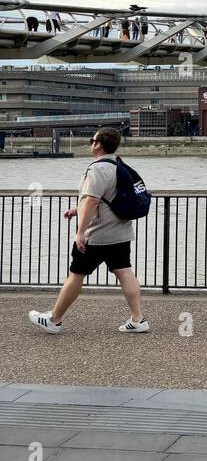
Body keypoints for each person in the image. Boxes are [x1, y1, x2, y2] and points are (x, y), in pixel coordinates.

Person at [28, 127, 149, 334]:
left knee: (76, 274)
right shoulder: (119, 166)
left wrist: (81, 232)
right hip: (120, 232)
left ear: (98, 144)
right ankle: (138, 319)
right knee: (125, 272)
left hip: (97, 235)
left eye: (92, 140)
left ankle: (54, 319)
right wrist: (78, 209)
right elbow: (106, 199)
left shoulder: (97, 169)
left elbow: (92, 200)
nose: (90, 143)